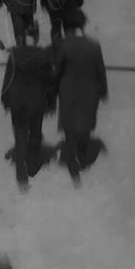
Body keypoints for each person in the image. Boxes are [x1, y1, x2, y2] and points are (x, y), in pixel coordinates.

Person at [55, 12, 108, 185]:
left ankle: (72, 163)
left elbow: (58, 71)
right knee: (85, 125)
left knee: (70, 127)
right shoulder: (94, 45)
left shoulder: (63, 45)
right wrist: (103, 91)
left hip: (68, 91)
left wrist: (52, 89)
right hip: (89, 91)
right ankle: (83, 157)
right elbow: (100, 70)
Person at [1, 40, 54, 189]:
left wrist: (5, 99)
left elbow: (8, 78)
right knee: (36, 129)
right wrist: (51, 102)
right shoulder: (43, 54)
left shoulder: (14, 54)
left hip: (18, 101)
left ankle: (20, 171)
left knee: (20, 131)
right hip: (37, 100)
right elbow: (49, 81)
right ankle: (32, 163)